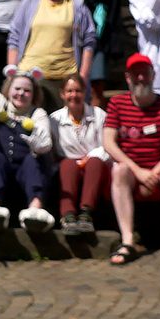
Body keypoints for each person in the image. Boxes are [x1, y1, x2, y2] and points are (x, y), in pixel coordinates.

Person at [105, 54, 160, 265]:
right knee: (119, 170)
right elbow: (108, 143)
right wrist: (138, 171)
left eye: (145, 73)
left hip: (159, 171)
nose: (141, 78)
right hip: (131, 172)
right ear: (128, 77)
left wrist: (155, 172)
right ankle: (127, 240)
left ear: (153, 75)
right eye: (136, 73)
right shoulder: (117, 103)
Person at [0, 66, 56, 234]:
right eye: (17, 89)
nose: (21, 93)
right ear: (9, 89)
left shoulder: (38, 114)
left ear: (33, 94)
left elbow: (45, 141)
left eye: (27, 91)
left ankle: (35, 210)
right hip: (2, 171)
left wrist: (39, 145)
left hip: (26, 172)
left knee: (34, 160)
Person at [6, 0, 97, 111]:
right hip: (31, 75)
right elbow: (14, 38)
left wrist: (83, 75)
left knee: (64, 122)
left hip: (65, 77)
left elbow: (89, 41)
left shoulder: (77, 4)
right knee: (32, 121)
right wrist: (13, 71)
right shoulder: (28, 2)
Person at [66, 0, 120, 107]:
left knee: (97, 83)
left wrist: (111, 38)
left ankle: (96, 121)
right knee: (71, 83)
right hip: (71, 36)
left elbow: (114, 4)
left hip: (99, 37)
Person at [48, 75, 108, 235]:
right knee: (67, 165)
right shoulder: (54, 119)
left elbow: (107, 146)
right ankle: (67, 216)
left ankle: (86, 215)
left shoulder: (99, 115)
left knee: (95, 162)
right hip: (68, 165)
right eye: (69, 91)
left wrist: (88, 158)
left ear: (85, 92)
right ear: (62, 94)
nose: (73, 95)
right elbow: (52, 151)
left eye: (78, 91)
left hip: (94, 165)